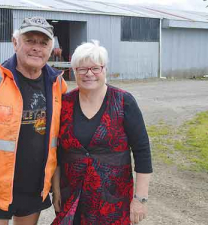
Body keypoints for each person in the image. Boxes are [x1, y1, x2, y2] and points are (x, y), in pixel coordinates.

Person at [0, 16, 67, 225]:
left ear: (51, 49)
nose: (36, 48)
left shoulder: (57, 84)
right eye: (30, 41)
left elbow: (58, 141)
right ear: (15, 43)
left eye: (43, 43)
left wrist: (57, 186)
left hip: (34, 190)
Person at [51, 40, 152, 225]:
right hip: (73, 197)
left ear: (104, 70)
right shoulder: (64, 103)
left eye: (95, 68)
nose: (89, 74)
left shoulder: (123, 101)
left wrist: (140, 199)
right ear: (74, 71)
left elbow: (142, 151)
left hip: (113, 200)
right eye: (82, 69)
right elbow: (57, 151)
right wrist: (56, 190)